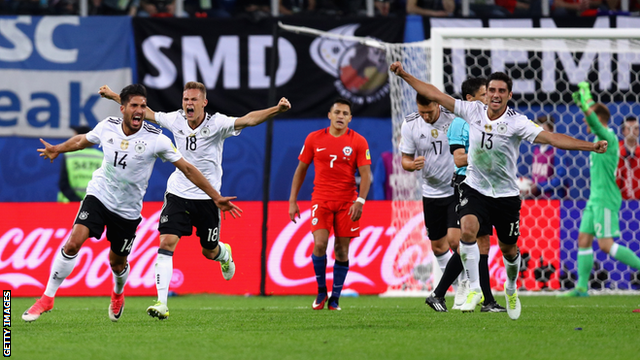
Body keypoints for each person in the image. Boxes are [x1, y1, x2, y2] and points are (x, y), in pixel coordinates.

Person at [390, 62, 607, 320]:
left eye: (501, 91)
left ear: (509, 95)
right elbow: (435, 94)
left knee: (508, 250)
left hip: (505, 195)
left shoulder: (517, 123)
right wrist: (404, 74)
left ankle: (511, 287)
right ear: (486, 92)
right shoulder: (472, 111)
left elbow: (552, 138)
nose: (495, 94)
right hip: (475, 188)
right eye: (491, 89)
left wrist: (590, 146)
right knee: (467, 231)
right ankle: (474, 289)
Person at [23, 84, 241, 323]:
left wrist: (215, 196)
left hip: (127, 210)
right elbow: (82, 141)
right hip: (99, 195)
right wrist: (57, 149)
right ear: (123, 109)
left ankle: (117, 293)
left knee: (117, 263)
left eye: (143, 106)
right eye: (134, 106)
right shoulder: (108, 126)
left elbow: (188, 169)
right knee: (74, 243)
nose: (139, 111)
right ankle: (47, 297)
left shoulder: (157, 139)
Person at [99, 82, 290, 320]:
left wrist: (277, 110)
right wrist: (113, 96)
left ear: (204, 103)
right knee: (166, 242)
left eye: (194, 100)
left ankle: (224, 253)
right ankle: (161, 302)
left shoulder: (217, 123)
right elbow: (142, 112)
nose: (189, 104)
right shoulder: (175, 120)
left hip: (208, 197)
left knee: (209, 251)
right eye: (186, 99)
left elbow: (248, 119)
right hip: (178, 194)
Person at [426, 77, 507, 313]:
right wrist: (488, 154)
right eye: (484, 95)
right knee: (470, 243)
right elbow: (459, 159)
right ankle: (440, 293)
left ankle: (486, 300)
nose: (488, 99)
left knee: (482, 244)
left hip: (484, 184)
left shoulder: (485, 121)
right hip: (466, 183)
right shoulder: (460, 123)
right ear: (469, 99)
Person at [289, 98, 372, 311]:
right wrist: (293, 201)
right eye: (337, 112)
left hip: (347, 202)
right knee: (319, 244)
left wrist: (360, 202)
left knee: (341, 251)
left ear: (350, 118)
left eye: (345, 113)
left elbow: (366, 175)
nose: (341, 117)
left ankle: (335, 297)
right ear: (330, 115)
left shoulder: (358, 141)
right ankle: (320, 291)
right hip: (321, 199)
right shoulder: (314, 139)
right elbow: (300, 170)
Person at [558, 82, 640, 297]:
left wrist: (585, 106)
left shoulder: (610, 139)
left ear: (599, 120)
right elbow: (595, 118)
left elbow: (594, 120)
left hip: (605, 199)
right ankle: (581, 288)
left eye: (588, 117)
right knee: (583, 240)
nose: (585, 120)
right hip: (594, 199)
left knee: (605, 245)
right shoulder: (597, 139)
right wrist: (587, 99)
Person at [398, 93, 463, 312]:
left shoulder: (453, 119)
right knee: (438, 247)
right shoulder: (410, 123)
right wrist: (411, 164)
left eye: (429, 112)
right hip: (431, 192)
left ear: (437, 103)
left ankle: (465, 287)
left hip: (456, 188)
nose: (425, 116)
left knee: (456, 241)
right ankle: (458, 285)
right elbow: (405, 159)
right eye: (421, 111)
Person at [57, 126, 103, 203]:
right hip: (93, 204)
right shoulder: (101, 156)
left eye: (74, 137)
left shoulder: (69, 155)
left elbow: (63, 183)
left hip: (69, 203)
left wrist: (76, 200)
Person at [529, 115, 570, 199]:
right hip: (537, 199)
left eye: (543, 131)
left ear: (551, 131)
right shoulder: (536, 150)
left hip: (553, 199)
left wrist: (539, 187)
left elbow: (561, 179)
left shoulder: (557, 151)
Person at [616, 116, 640, 200]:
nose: (633, 131)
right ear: (623, 131)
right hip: (618, 201)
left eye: (636, 128)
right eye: (629, 128)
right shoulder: (616, 151)